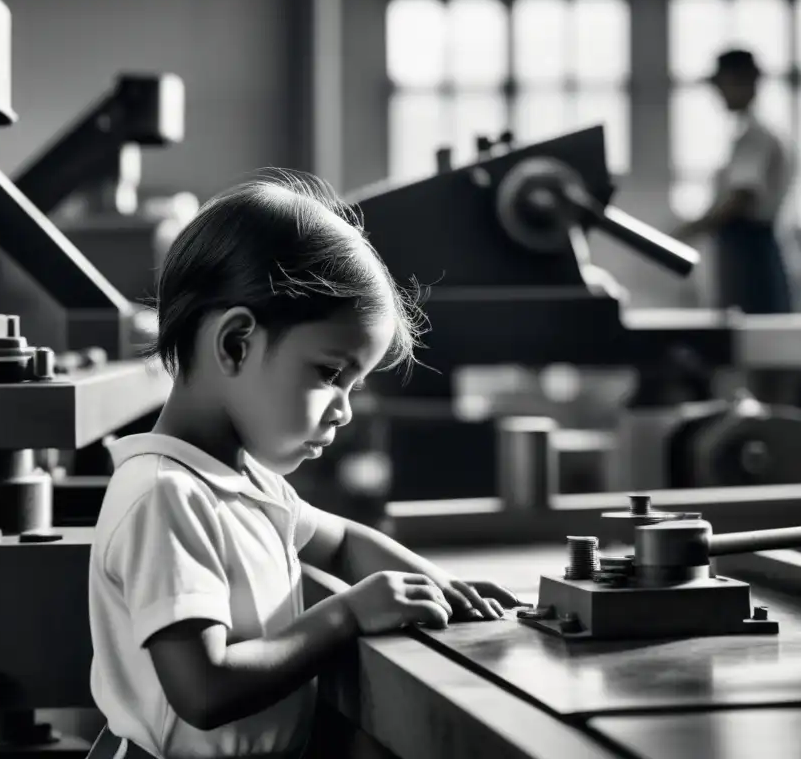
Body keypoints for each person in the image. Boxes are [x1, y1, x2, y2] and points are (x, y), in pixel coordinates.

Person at [87, 170, 519, 759]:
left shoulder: (246, 484)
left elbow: (342, 544)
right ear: (236, 343)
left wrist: (441, 588)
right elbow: (203, 690)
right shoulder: (164, 496)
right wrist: (347, 614)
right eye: (329, 374)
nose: (344, 410)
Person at [672, 48, 801, 315]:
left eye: (724, 84)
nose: (719, 94)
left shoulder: (755, 136)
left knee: (754, 336)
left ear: (743, 81)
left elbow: (741, 198)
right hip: (746, 248)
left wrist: (688, 230)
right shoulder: (753, 134)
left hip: (750, 253)